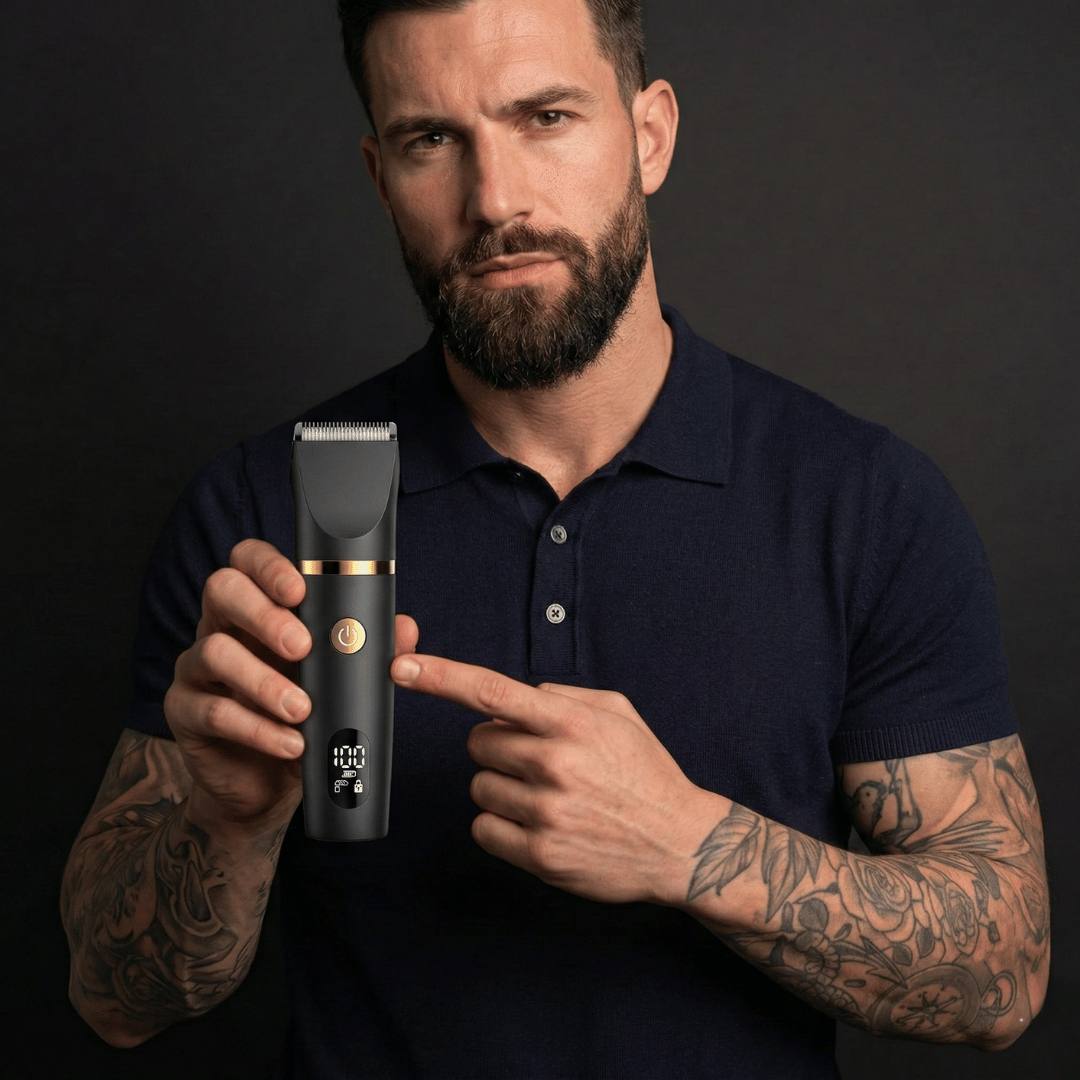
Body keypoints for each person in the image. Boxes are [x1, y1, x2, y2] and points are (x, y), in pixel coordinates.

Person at [61, 1, 1050, 1076]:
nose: (495, 200)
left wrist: (686, 843)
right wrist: (228, 823)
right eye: (430, 138)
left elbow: (1003, 977)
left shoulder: (864, 503)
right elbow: (114, 1002)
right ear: (380, 175)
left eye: (545, 117)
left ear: (650, 136)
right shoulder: (261, 509)